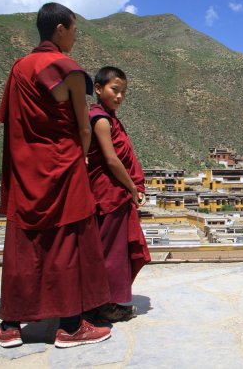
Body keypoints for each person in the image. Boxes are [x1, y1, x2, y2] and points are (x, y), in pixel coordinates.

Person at [0, 2, 112, 348]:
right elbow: (82, 126)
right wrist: (83, 159)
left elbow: (10, 118)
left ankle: (11, 326)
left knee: (24, 245)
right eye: (74, 30)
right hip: (62, 165)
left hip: (25, 168)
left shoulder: (19, 68)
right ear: (59, 29)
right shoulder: (66, 68)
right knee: (67, 242)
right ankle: (71, 327)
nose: (75, 37)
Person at [87, 66, 151, 322]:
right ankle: (103, 305)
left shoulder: (111, 118)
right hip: (108, 194)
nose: (120, 96)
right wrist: (132, 188)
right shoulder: (100, 119)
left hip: (115, 193)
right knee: (109, 254)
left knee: (116, 252)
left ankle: (108, 302)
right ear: (99, 89)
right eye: (115, 90)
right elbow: (112, 161)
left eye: (123, 92)